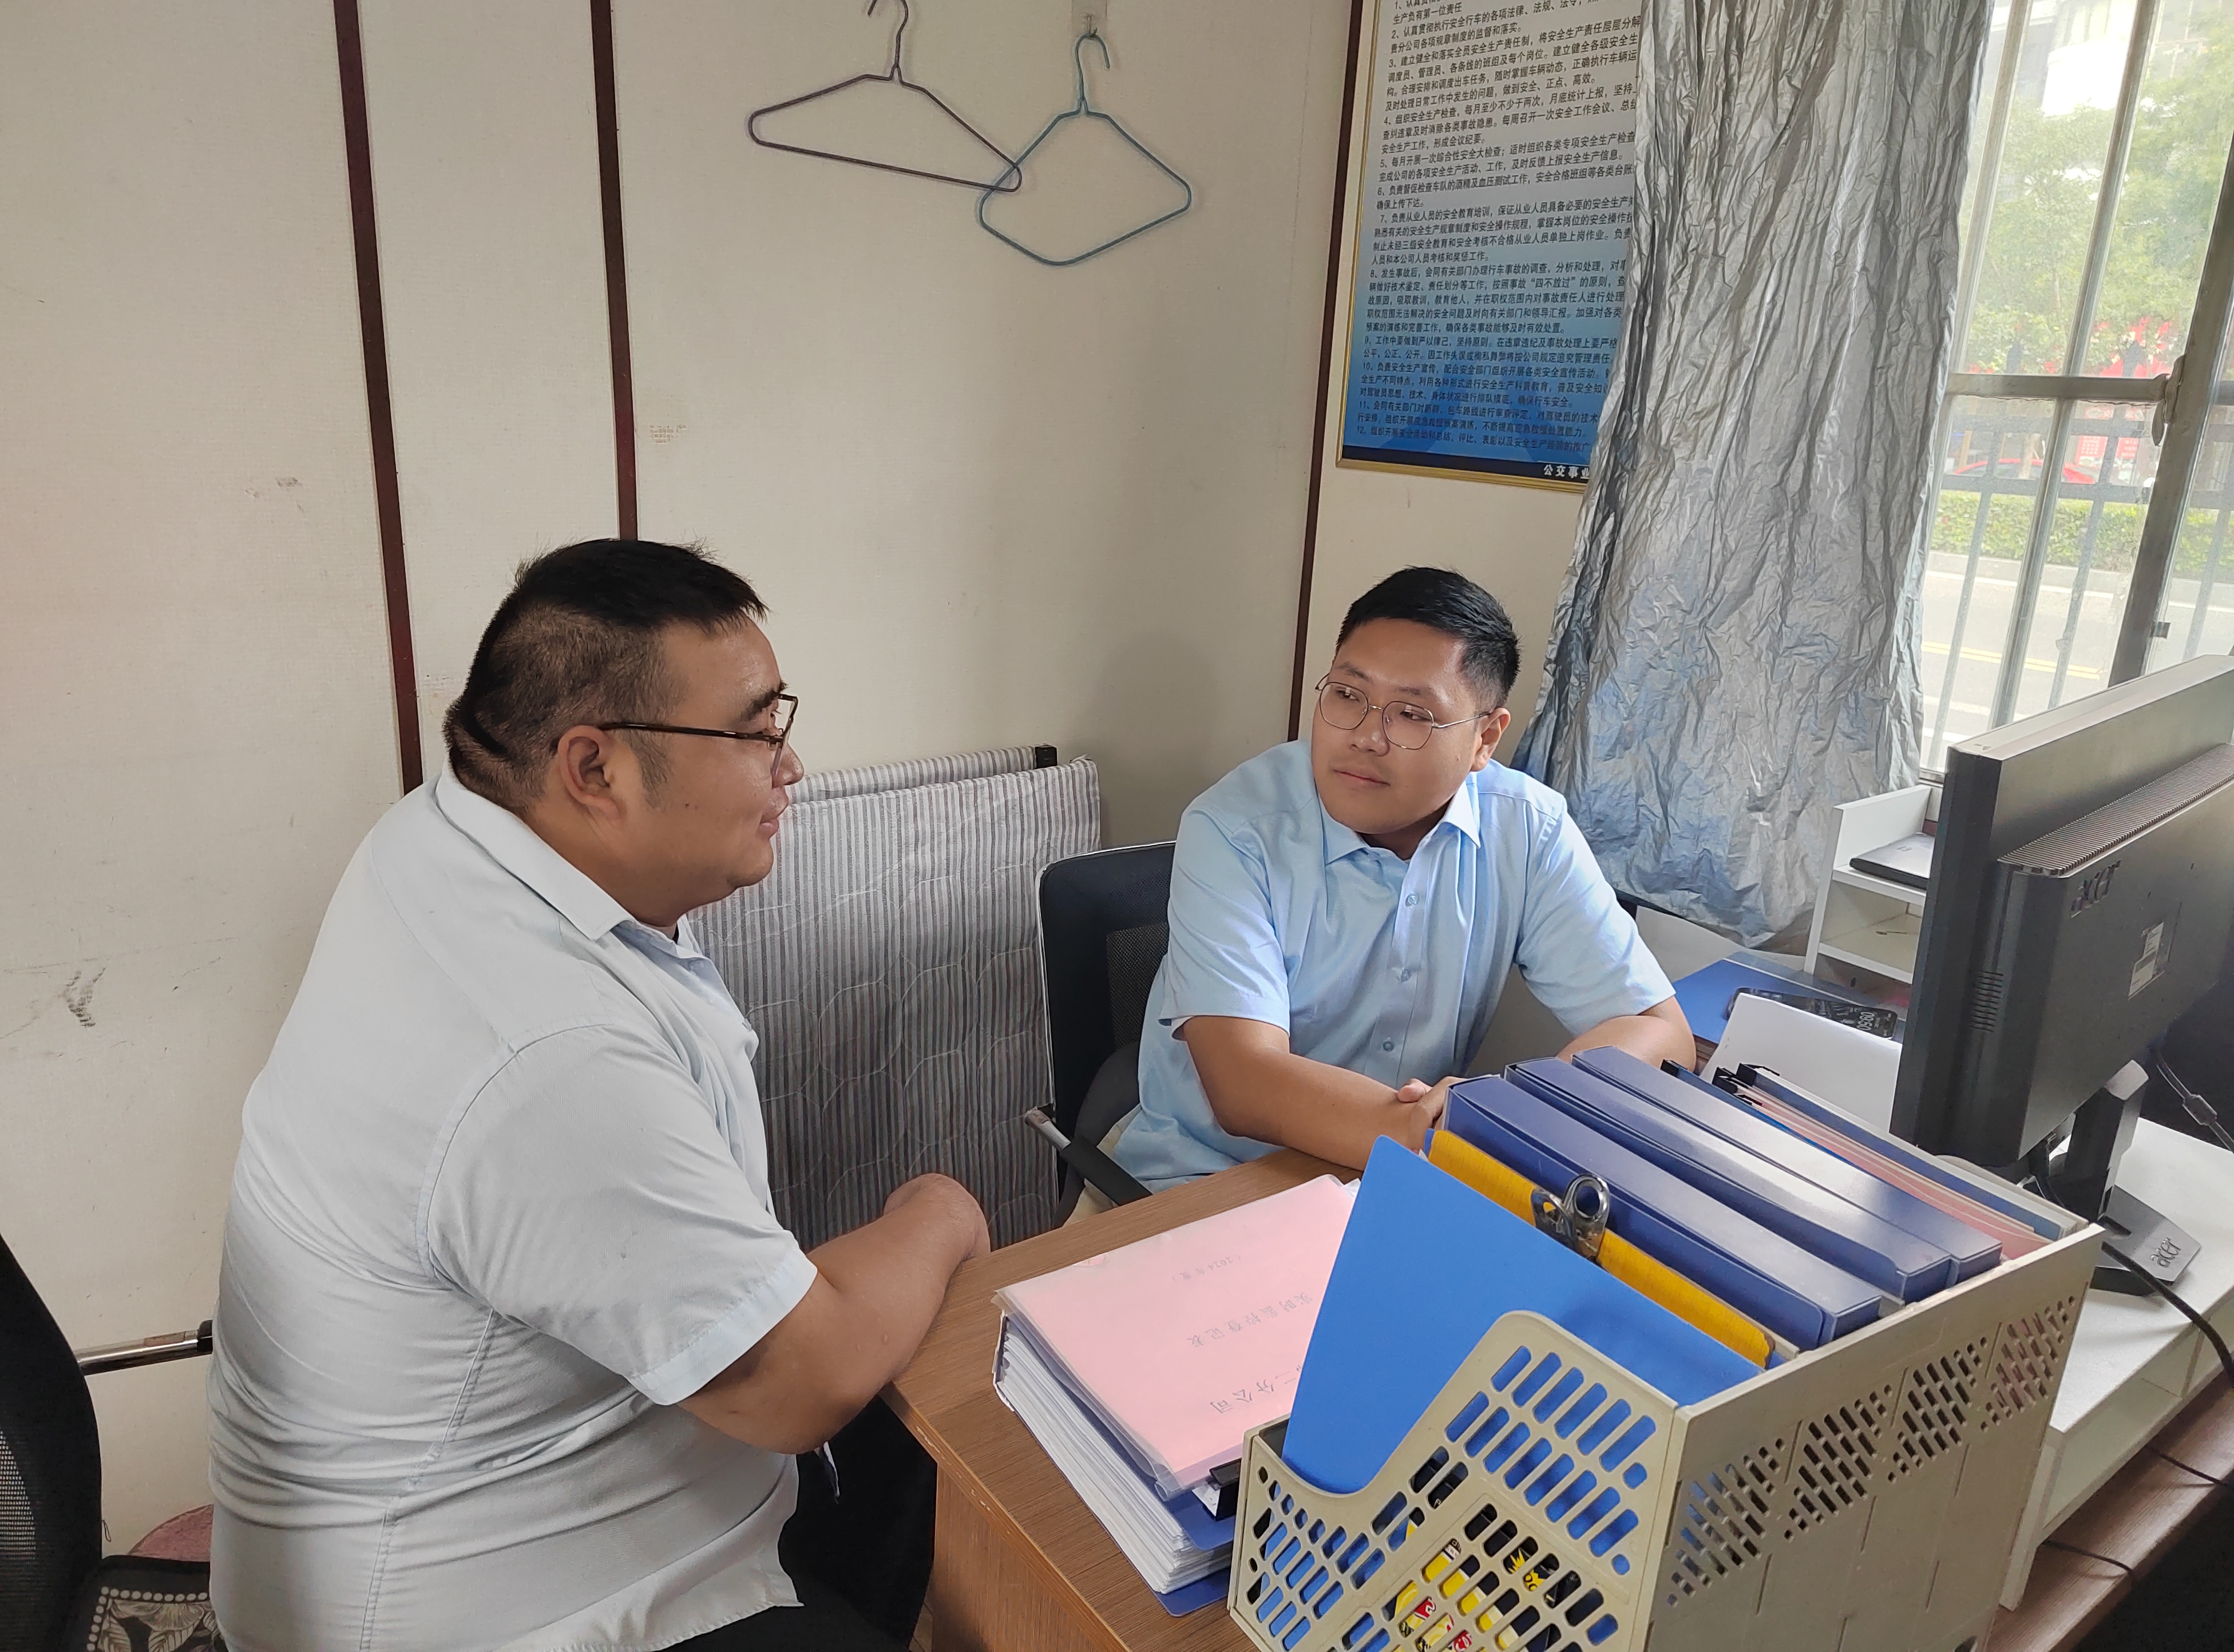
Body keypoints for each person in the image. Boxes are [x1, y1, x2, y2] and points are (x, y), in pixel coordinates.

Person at [207, 540, 985, 1651]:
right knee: (934, 1366)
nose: (791, 765)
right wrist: (943, 1205)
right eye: (755, 730)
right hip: (500, 1611)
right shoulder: (541, 1053)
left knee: (924, 1400)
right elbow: (795, 1385)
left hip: (502, 1487)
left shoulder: (445, 834)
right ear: (593, 767)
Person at [1111, 566, 1690, 1189]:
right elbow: (1244, 1085)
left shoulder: (1527, 830)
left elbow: (1661, 1033)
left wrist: (1521, 1116)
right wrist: (1446, 1132)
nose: (1364, 737)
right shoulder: (1236, 828)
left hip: (1399, 1179)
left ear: (1484, 739)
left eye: (1412, 714)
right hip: (1212, 1178)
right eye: (1346, 695)